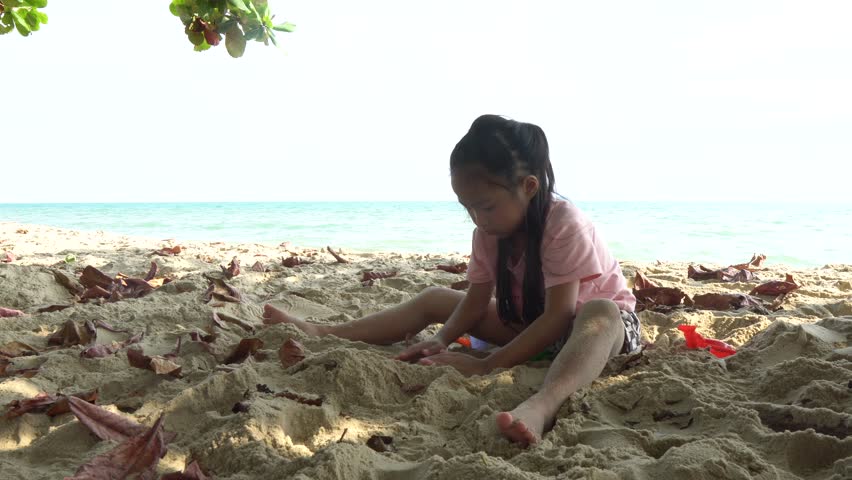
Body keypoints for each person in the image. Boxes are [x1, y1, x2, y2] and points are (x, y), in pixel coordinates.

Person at [263, 114, 641, 446]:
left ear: (528, 187)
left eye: (486, 205)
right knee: (435, 298)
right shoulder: (489, 232)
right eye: (467, 207)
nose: (478, 218)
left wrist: (486, 364)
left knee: (600, 309)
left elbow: (560, 315)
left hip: (594, 335)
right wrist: (441, 338)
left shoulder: (563, 223)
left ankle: (542, 406)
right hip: (533, 328)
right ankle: (321, 333)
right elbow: (476, 300)